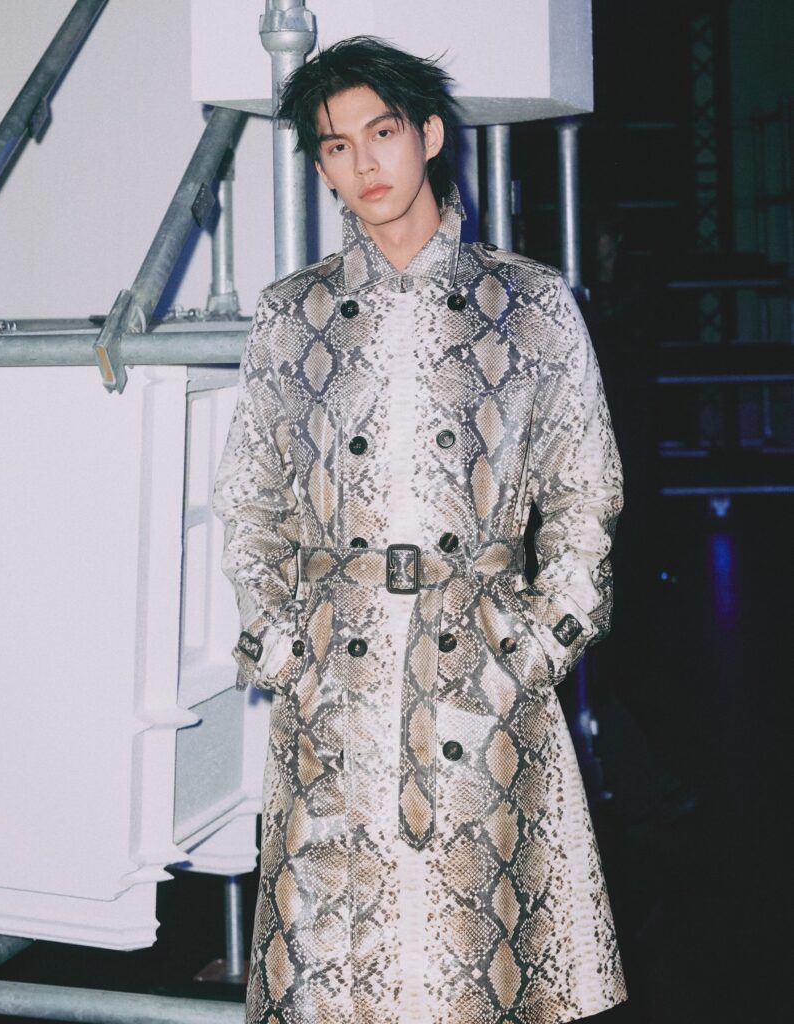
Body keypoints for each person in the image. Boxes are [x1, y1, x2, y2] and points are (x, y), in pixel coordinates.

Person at [213, 36, 627, 1024]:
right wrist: (283, 644)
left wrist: (536, 646)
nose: (364, 164)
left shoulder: (528, 302)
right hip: (335, 680)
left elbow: (585, 489)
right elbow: (251, 498)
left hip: (482, 668)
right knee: (333, 968)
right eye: (336, 146)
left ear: (430, 135)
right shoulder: (290, 315)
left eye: (383, 132)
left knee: (473, 962)